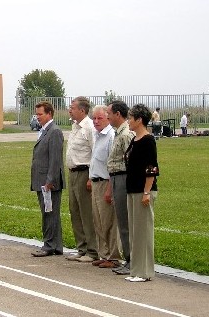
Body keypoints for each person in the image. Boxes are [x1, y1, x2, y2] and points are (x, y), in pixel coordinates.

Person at [123, 103, 160, 282]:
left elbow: (151, 168)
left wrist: (147, 192)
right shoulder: (134, 139)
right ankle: (136, 270)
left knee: (143, 232)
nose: (128, 121)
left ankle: (144, 272)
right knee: (134, 233)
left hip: (142, 191)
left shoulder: (148, 140)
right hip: (132, 189)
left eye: (130, 118)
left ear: (139, 120)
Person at [64, 97, 98, 263]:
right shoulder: (75, 127)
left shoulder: (89, 128)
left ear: (82, 110)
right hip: (72, 173)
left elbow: (95, 153)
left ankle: (92, 251)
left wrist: (91, 177)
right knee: (75, 211)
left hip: (84, 172)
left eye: (73, 108)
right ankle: (81, 248)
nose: (70, 110)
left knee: (86, 212)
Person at [88, 105, 123, 269]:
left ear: (108, 118)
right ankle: (104, 253)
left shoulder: (110, 136)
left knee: (108, 221)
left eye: (99, 118)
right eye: (94, 118)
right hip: (95, 182)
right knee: (98, 221)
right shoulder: (97, 135)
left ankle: (113, 256)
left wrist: (109, 188)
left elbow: (112, 165)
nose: (95, 121)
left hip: (105, 182)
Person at [30, 101, 64, 258]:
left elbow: (55, 159)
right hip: (42, 179)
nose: (37, 117)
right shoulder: (44, 131)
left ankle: (49, 244)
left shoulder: (54, 131)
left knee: (49, 212)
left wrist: (49, 180)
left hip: (48, 182)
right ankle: (56, 245)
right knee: (49, 212)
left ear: (49, 114)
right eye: (36, 114)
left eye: (40, 114)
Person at [107, 100, 136, 275]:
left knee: (125, 222)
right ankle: (129, 259)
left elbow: (130, 161)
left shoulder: (126, 135)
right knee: (122, 222)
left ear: (118, 114)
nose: (107, 116)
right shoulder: (119, 133)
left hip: (123, 178)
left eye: (109, 113)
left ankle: (132, 260)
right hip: (117, 178)